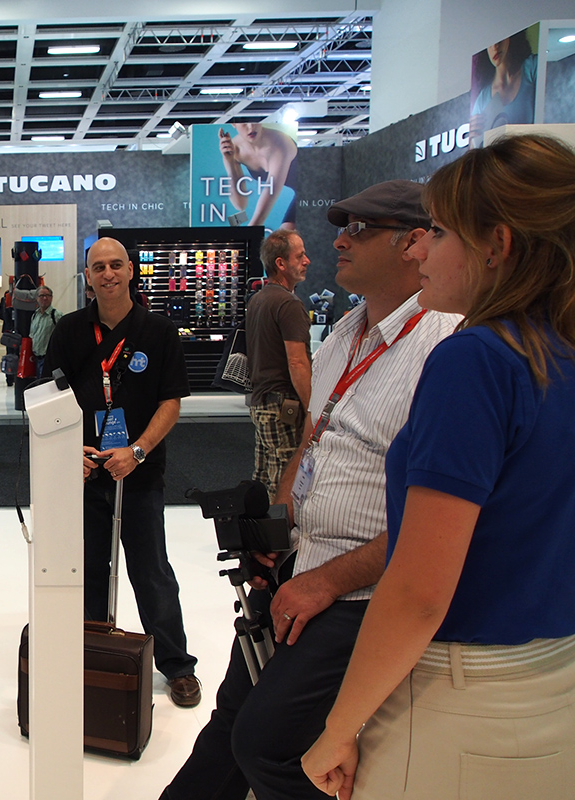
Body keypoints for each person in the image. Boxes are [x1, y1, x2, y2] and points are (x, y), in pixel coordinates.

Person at [158, 180, 462, 800]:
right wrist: (280, 522)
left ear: (414, 243)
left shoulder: (448, 347)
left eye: (361, 230)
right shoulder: (348, 330)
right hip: (301, 566)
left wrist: (326, 582)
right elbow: (313, 439)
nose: (339, 242)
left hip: (361, 594)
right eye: (341, 228)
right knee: (232, 717)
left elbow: (437, 525)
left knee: (267, 744)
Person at [302, 135, 575, 799]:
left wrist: (339, 726)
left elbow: (419, 591)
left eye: (441, 233)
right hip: (554, 679)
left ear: (496, 245)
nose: (421, 250)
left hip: (461, 695)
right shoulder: (556, 351)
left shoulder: (475, 360)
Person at [47, 237, 201, 707]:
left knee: (151, 570)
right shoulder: (70, 331)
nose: (108, 273)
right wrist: (68, 450)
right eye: (99, 267)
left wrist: (136, 451)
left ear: (131, 270)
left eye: (116, 265)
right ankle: (94, 657)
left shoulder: (158, 331)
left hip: (139, 471)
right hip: (84, 473)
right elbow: (49, 399)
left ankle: (177, 665)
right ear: (88, 277)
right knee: (90, 569)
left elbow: (170, 402)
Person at [246, 230, 312, 500]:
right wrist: (312, 410)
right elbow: (297, 362)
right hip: (283, 407)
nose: (307, 261)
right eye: (300, 256)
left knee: (264, 480)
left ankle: (258, 527)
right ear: (280, 263)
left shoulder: (259, 299)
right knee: (286, 481)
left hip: (262, 403)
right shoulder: (288, 304)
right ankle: (279, 529)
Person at [218, 123, 299, 230]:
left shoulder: (280, 142)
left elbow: (270, 193)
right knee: (284, 234)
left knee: (286, 233)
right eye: (244, 123)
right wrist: (230, 161)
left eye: (255, 120)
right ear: (233, 124)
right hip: (299, 193)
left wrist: (247, 235)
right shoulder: (234, 148)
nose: (251, 127)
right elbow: (240, 204)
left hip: (313, 186)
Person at [469, 30, 537, 147]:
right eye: (489, 43)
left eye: (499, 39)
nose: (495, 47)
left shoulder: (531, 67)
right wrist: (472, 138)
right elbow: (475, 150)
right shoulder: (482, 99)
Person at [29, 286, 62, 379]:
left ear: (51, 298)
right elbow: (32, 335)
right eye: (41, 295)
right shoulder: (35, 315)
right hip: (36, 358)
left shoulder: (56, 315)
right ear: (37, 298)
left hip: (49, 359)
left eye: (47, 295)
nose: (44, 298)